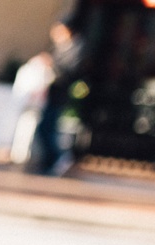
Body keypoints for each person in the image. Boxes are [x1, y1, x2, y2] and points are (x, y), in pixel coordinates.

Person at [31, 14, 87, 176]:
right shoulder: (60, 47)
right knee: (45, 128)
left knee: (48, 128)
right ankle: (50, 161)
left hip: (60, 95)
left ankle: (58, 158)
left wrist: (52, 65)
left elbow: (69, 72)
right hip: (51, 93)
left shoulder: (75, 49)